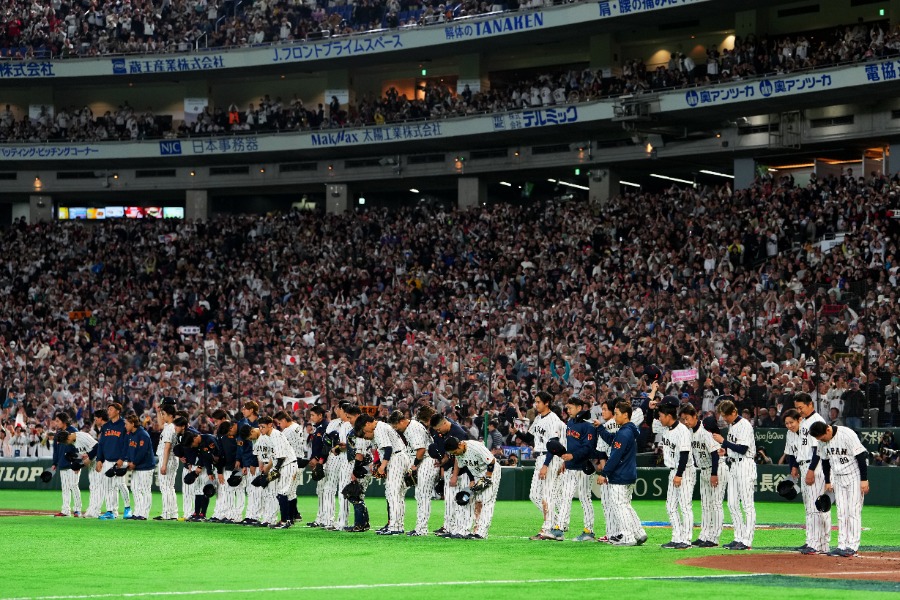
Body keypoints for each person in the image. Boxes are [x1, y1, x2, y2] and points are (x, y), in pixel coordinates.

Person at [810, 421, 870, 557]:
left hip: (854, 476)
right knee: (841, 512)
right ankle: (842, 544)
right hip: (837, 477)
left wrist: (864, 479)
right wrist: (828, 481)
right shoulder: (822, 441)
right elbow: (825, 461)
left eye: (821, 437)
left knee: (853, 511)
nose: (820, 440)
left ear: (828, 430)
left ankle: (852, 546)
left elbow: (861, 456)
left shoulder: (847, 434)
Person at [595, 401, 647, 546]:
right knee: (626, 505)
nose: (615, 416)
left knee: (620, 506)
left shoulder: (624, 433)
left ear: (625, 415)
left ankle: (627, 537)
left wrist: (604, 473)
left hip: (620, 475)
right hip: (628, 473)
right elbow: (613, 440)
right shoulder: (628, 430)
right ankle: (639, 532)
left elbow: (615, 456)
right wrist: (600, 428)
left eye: (617, 414)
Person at [546, 397, 596, 542]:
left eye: (571, 407)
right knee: (565, 497)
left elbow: (588, 448)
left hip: (584, 467)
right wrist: (565, 460)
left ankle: (589, 531)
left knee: (585, 498)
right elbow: (570, 445)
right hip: (570, 466)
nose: (568, 410)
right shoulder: (570, 423)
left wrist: (572, 455)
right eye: (567, 408)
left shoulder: (589, 426)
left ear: (580, 407)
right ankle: (559, 530)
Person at [355, 413, 411, 535]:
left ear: (368, 423)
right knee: (397, 495)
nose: (365, 432)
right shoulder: (381, 426)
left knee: (393, 493)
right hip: (399, 457)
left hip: (396, 458)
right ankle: (397, 525)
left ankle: (395, 527)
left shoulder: (379, 428)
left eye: (364, 429)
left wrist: (382, 467)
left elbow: (388, 449)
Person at [679, 405, 726, 547]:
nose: (685, 422)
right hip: (704, 469)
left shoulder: (705, 431)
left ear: (695, 416)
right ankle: (704, 535)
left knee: (716, 504)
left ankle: (714, 538)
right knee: (705, 505)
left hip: (716, 469)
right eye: (683, 419)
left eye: (687, 418)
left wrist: (714, 474)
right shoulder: (690, 432)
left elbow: (715, 453)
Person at [652, 397, 695, 550]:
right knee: (670, 506)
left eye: (661, 416)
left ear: (669, 416)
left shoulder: (682, 430)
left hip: (684, 471)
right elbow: (654, 425)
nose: (659, 419)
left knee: (684, 506)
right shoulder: (666, 428)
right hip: (673, 471)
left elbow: (684, 454)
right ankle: (677, 537)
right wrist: (653, 408)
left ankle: (686, 539)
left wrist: (679, 474)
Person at [712, 399, 756, 550]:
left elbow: (743, 449)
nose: (724, 418)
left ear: (734, 412)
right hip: (734, 465)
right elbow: (735, 447)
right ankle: (738, 537)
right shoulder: (733, 425)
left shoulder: (744, 425)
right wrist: (726, 451)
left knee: (747, 505)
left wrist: (724, 442)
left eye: (726, 415)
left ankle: (747, 540)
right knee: (731, 503)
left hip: (745, 464)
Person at [792, 393, 831, 555]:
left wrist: (810, 470)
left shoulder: (817, 421)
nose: (799, 411)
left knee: (817, 507)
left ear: (810, 405)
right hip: (804, 465)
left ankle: (818, 543)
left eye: (801, 407)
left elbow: (818, 450)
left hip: (814, 466)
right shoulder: (805, 422)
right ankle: (814, 541)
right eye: (797, 408)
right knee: (810, 508)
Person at [389, 409, 436, 537]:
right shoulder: (412, 426)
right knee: (420, 495)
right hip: (424, 461)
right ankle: (420, 528)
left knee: (422, 495)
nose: (396, 429)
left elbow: (421, 450)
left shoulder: (413, 428)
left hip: (427, 460)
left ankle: (421, 529)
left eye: (396, 425)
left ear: (402, 421)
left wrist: (414, 466)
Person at [527, 391, 567, 541]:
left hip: (549, 457)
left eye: (538, 402)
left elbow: (554, 445)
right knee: (534, 495)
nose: (536, 404)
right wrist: (517, 432)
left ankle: (548, 529)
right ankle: (557, 525)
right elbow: (531, 437)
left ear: (546, 403)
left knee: (547, 495)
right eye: (535, 401)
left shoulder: (553, 420)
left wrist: (546, 464)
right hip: (540, 456)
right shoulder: (538, 418)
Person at [445, 435, 501, 539]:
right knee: (469, 501)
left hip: (491, 471)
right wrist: (472, 480)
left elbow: (491, 461)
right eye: (453, 453)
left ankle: (481, 533)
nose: (455, 454)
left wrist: (488, 477)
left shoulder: (475, 447)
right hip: (476, 473)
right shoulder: (459, 453)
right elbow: (466, 466)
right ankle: (463, 531)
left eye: (455, 452)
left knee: (486, 501)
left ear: (460, 444)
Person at [429, 413, 471, 538]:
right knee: (449, 501)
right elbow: (448, 454)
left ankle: (462, 529)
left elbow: (459, 456)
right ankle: (450, 527)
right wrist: (442, 463)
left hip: (462, 472)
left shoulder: (458, 433)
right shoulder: (446, 432)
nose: (437, 432)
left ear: (444, 423)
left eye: (438, 429)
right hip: (451, 469)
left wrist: (454, 475)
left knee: (461, 501)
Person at [258, 415, 299, 529]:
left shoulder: (275, 435)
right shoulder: (271, 435)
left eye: (263, 426)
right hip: (287, 465)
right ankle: (289, 519)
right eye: (260, 427)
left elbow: (281, 457)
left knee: (282, 493)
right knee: (288, 493)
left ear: (270, 425)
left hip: (287, 465)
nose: (261, 429)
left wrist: (275, 470)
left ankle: (284, 521)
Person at [96, 402, 132, 520]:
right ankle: (111, 511)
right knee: (108, 486)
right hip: (108, 460)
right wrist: (99, 459)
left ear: (117, 411)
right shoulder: (106, 426)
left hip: (120, 460)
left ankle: (127, 508)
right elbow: (101, 444)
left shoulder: (124, 425)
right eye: (108, 409)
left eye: (111, 409)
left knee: (120, 484)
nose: (109, 411)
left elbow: (127, 443)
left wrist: (122, 458)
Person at [274, 410, 306, 525]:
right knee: (292, 491)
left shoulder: (288, 431)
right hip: (299, 460)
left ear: (283, 420)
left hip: (293, 462)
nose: (279, 426)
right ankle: (294, 515)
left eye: (279, 423)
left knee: (288, 492)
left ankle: (289, 518)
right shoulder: (297, 426)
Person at [124, 414, 154, 520]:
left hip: (145, 467)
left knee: (145, 490)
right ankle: (137, 512)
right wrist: (130, 462)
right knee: (135, 489)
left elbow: (142, 452)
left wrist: (134, 463)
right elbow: (130, 450)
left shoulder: (143, 434)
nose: (125, 426)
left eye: (126, 424)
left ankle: (144, 514)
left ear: (132, 424)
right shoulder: (131, 434)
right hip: (136, 466)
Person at [50, 413, 80, 517]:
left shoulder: (73, 431)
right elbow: (56, 450)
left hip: (73, 464)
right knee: (65, 488)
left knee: (74, 486)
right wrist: (54, 462)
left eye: (58, 421)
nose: (56, 423)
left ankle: (77, 510)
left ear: (64, 421)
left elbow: (79, 448)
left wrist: (78, 463)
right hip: (62, 463)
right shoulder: (58, 434)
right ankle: (65, 510)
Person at [237, 401, 262, 526]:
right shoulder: (242, 423)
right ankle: (250, 515)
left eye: (245, 408)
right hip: (246, 460)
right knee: (250, 490)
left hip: (259, 461)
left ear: (252, 410)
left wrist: (254, 462)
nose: (243, 410)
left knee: (256, 489)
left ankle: (255, 516)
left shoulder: (261, 423)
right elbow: (240, 444)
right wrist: (240, 461)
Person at [306, 405, 330, 528]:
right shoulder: (318, 427)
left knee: (325, 490)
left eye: (313, 415)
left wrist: (317, 459)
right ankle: (320, 518)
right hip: (319, 461)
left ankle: (325, 518)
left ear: (320, 415)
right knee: (320, 490)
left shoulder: (326, 427)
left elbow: (326, 446)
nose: (311, 417)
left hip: (324, 462)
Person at [154, 404, 179, 521]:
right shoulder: (171, 426)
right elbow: (160, 424)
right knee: (170, 487)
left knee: (165, 487)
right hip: (171, 459)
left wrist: (163, 464)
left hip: (167, 459)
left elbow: (167, 447)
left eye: (163, 414)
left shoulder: (170, 428)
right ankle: (173, 513)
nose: (162, 416)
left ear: (170, 415)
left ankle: (167, 513)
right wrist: (158, 411)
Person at [83, 410, 108, 519]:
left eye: (96, 418)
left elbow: (99, 446)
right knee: (99, 486)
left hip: (108, 459)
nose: (95, 420)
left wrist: (91, 457)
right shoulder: (103, 428)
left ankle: (97, 510)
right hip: (103, 459)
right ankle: (93, 509)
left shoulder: (108, 428)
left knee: (104, 487)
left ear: (100, 418)